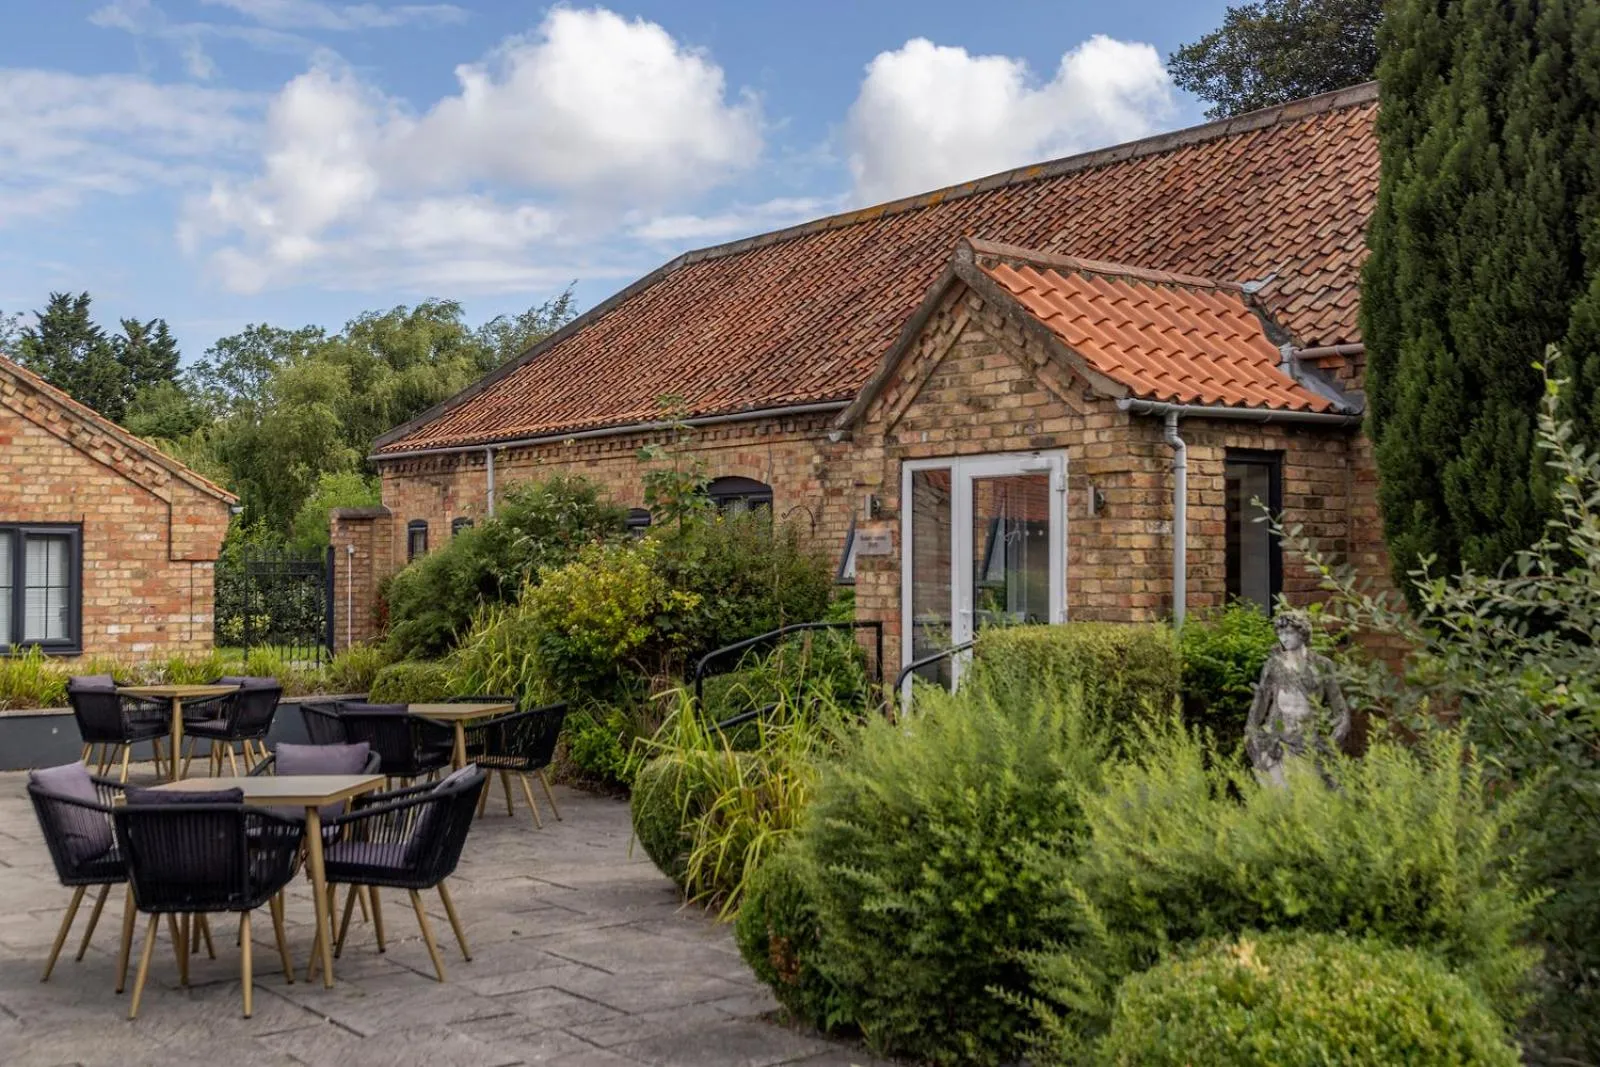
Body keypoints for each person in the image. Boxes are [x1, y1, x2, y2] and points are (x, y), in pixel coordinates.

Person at [1244, 610, 1350, 786]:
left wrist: (1337, 732)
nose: (1283, 638)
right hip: (1277, 736)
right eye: (1280, 633)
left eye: (1289, 633)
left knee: (1311, 793)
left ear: (1302, 633)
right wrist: (1251, 729)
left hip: (1308, 738)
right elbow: (1261, 700)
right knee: (1279, 795)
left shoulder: (1322, 665)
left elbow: (1338, 704)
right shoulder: (1274, 665)